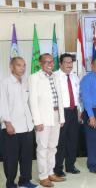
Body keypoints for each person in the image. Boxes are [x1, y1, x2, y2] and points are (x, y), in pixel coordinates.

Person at [0, 57, 38, 188]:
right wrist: (8, 123)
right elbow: (2, 104)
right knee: (11, 158)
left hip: (27, 127)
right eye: (18, 65)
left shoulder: (26, 83)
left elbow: (29, 103)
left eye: (24, 65)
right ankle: (10, 183)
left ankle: (25, 180)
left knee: (27, 157)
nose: (22, 68)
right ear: (11, 67)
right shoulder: (5, 83)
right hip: (12, 127)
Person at [29, 53, 65, 187]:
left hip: (56, 116)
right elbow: (32, 101)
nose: (50, 64)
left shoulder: (55, 76)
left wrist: (62, 117)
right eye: (46, 62)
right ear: (40, 63)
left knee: (53, 147)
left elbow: (59, 98)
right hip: (43, 118)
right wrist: (37, 121)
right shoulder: (34, 78)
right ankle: (43, 176)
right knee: (42, 148)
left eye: (51, 62)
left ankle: (51, 172)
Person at [54, 53, 82, 177]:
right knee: (60, 141)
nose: (69, 65)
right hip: (61, 112)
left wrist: (80, 110)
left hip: (74, 111)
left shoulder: (75, 77)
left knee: (73, 140)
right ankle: (58, 168)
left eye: (71, 62)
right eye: (66, 62)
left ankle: (70, 166)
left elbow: (78, 97)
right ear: (60, 64)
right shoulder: (54, 77)